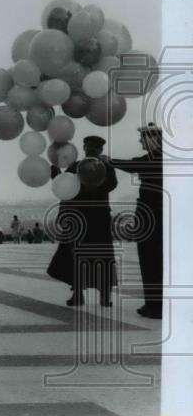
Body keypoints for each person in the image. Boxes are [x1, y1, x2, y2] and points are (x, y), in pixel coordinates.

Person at [47, 135, 118, 307]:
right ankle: (80, 294)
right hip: (83, 218)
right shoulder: (76, 166)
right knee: (79, 257)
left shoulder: (104, 167)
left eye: (96, 147)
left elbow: (110, 184)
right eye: (90, 146)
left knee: (99, 256)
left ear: (100, 150)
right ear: (85, 148)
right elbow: (66, 189)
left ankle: (102, 296)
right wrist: (56, 176)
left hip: (96, 218)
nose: (92, 149)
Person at [111, 123, 163, 319]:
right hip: (154, 213)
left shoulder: (158, 156)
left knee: (151, 260)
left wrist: (110, 161)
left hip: (153, 214)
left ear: (153, 139)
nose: (141, 140)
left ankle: (155, 306)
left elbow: (135, 165)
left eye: (143, 137)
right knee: (153, 260)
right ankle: (153, 303)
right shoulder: (158, 156)